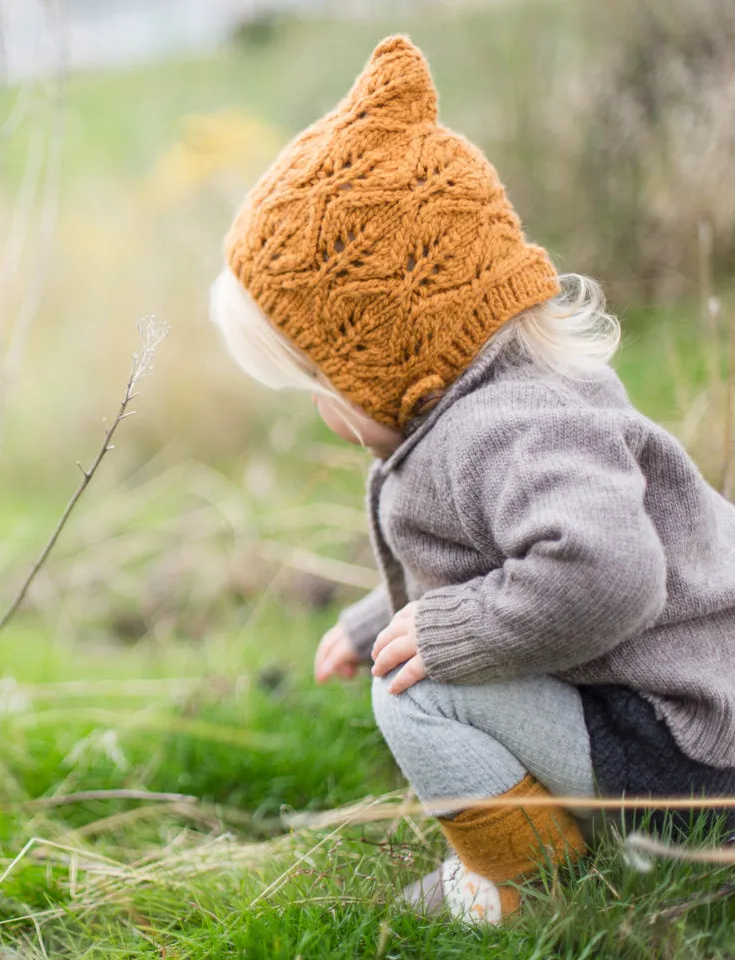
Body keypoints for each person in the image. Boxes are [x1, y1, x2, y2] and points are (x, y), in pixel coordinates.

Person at [209, 34, 735, 925]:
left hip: (689, 754)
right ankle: (547, 841)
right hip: (691, 705)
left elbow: (611, 571)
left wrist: (443, 635)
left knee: (416, 686)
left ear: (385, 351)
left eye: (323, 389)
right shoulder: (502, 399)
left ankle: (525, 884)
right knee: (414, 650)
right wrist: (375, 619)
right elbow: (496, 560)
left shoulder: (505, 431)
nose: (326, 417)